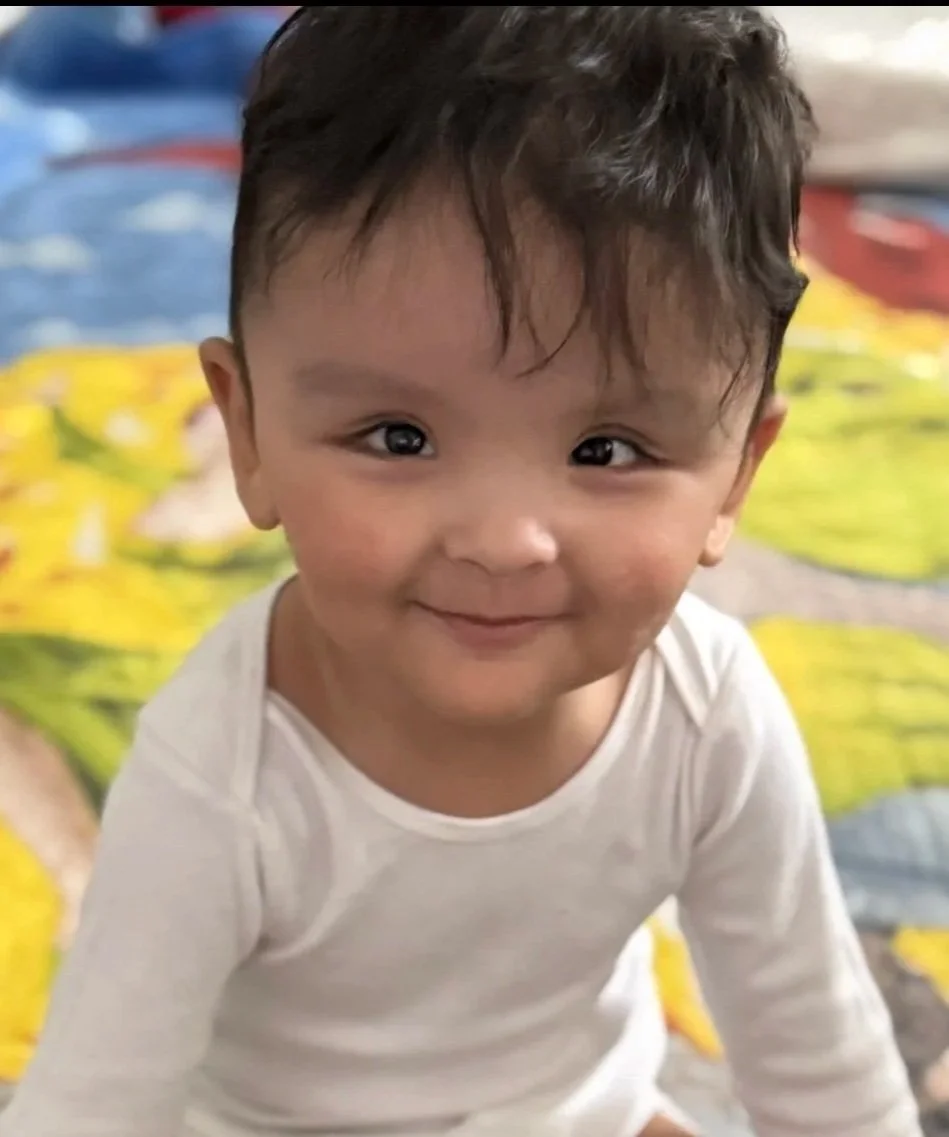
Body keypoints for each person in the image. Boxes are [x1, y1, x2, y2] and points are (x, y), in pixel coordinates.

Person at [0, 7, 923, 1137]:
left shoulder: (708, 713)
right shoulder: (224, 771)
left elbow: (816, 1054)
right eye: (397, 437)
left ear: (733, 478)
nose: (503, 541)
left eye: (607, 451)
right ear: (246, 437)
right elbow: (98, 1107)